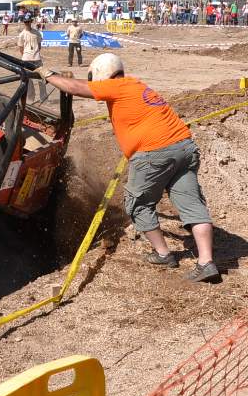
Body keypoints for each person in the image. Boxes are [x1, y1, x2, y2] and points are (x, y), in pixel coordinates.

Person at [37, 53, 218, 282]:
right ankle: (206, 262)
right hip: (184, 147)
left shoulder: (117, 86)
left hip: (153, 153)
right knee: (192, 203)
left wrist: (48, 75)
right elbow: (83, 85)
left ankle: (163, 254)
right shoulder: (134, 85)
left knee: (138, 204)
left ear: (103, 74)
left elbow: (75, 88)